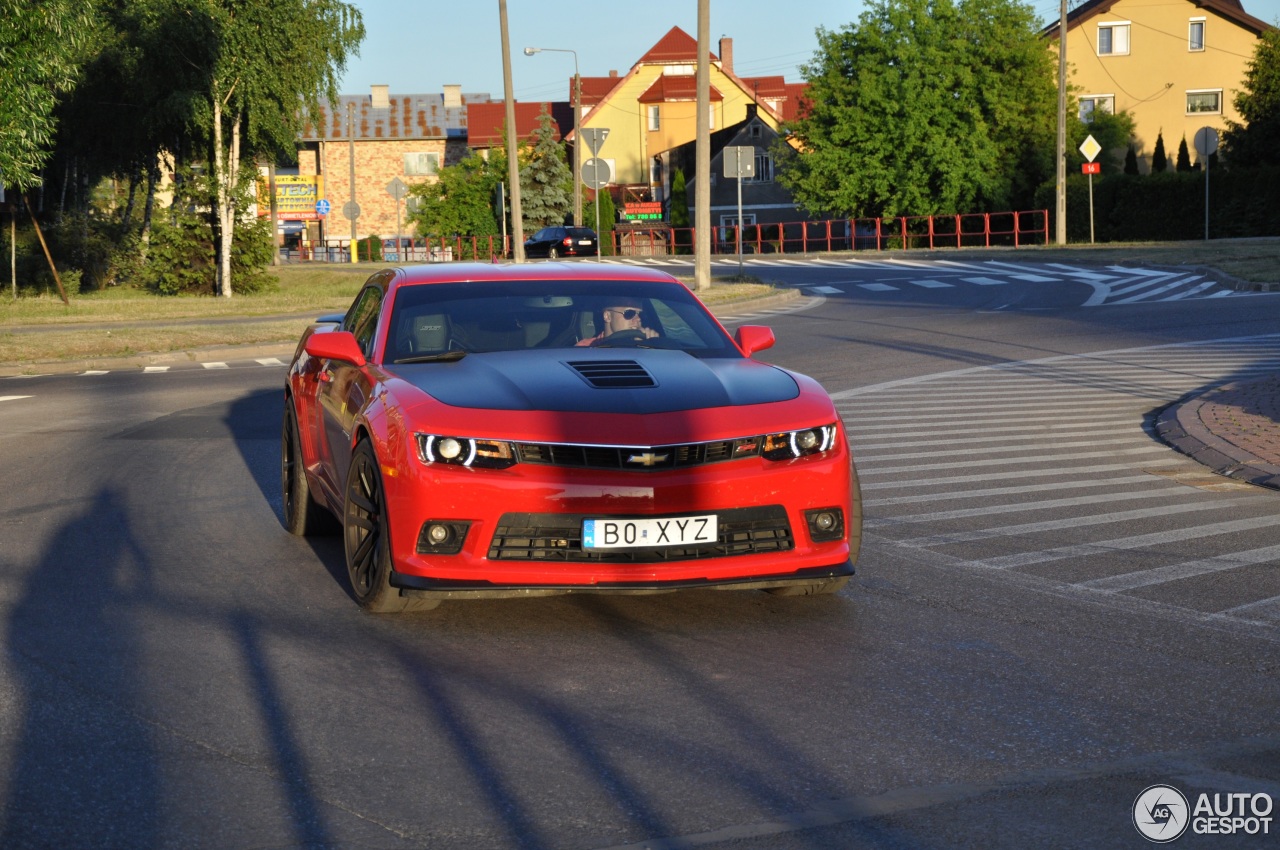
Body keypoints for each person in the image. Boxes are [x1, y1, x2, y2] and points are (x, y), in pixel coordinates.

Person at [576, 298, 659, 345]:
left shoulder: (649, 345)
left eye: (641, 314)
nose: (638, 319)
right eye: (629, 313)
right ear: (607, 316)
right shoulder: (585, 348)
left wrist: (651, 344)